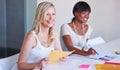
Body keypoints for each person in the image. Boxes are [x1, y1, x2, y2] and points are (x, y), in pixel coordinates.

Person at [12, 1, 67, 70]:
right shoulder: (31, 37)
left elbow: (60, 53)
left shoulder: (54, 34)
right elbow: (20, 65)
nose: (51, 18)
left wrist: (62, 57)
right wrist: (37, 64)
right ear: (40, 16)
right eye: (47, 14)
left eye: (53, 14)